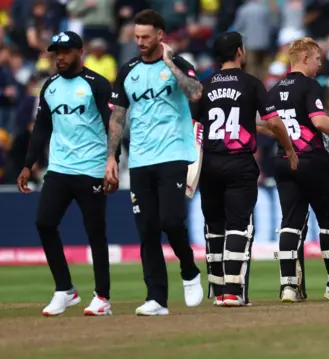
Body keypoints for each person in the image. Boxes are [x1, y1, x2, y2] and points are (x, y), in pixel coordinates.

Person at [105, 9, 204, 316]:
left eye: (146, 37)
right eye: (136, 37)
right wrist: (112, 156)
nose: (140, 42)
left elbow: (196, 93)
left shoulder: (178, 64)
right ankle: (156, 299)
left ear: (160, 36)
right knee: (147, 229)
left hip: (173, 154)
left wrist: (170, 64)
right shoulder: (128, 70)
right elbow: (118, 116)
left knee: (171, 221)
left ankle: (189, 270)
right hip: (141, 160)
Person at [190, 31, 298, 307]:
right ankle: (232, 291)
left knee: (214, 226)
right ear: (240, 52)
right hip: (239, 162)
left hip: (210, 162)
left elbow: (194, 128)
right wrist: (288, 148)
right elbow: (274, 122)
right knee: (238, 225)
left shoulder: (204, 86)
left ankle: (216, 290)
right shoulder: (251, 83)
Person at [17, 31, 118, 316]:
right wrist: (28, 164)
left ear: (80, 52)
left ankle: (102, 298)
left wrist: (113, 160)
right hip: (59, 169)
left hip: (92, 168)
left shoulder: (96, 84)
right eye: (56, 53)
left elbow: (113, 125)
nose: (59, 57)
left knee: (95, 232)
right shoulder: (49, 86)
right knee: (44, 223)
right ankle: (65, 290)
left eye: (65, 52)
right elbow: (41, 128)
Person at [267, 37, 329, 302]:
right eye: (318, 60)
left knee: (290, 223)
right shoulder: (309, 85)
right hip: (312, 159)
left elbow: (264, 125)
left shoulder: (274, 89)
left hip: (284, 161)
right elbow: (320, 122)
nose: (320, 65)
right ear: (305, 59)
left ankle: (289, 286)